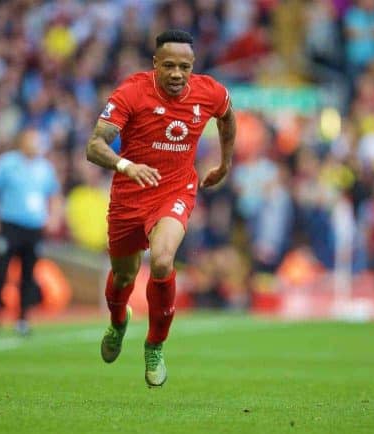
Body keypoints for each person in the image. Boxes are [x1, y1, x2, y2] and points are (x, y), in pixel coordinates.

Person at [86, 29, 236, 387]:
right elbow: (94, 145)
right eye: (168, 65)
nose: (176, 74)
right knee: (123, 275)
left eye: (184, 67)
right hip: (129, 194)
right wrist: (126, 165)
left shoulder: (209, 91)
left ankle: (154, 345)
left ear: (193, 66)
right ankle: (119, 320)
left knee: (164, 259)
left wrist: (225, 163)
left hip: (175, 190)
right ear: (155, 63)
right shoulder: (131, 92)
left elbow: (228, 117)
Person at [0, 128, 63, 335]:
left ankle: (23, 319)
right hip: (10, 224)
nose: (36, 145)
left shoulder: (44, 167)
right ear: (22, 141)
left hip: (33, 227)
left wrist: (53, 217)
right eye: (32, 140)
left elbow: (54, 195)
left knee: (28, 275)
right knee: (1, 271)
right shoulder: (8, 163)